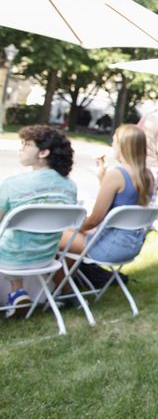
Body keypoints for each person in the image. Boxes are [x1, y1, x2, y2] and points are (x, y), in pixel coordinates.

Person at [0, 126, 77, 316]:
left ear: (43, 152)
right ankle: (17, 292)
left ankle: (16, 291)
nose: (21, 149)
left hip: (10, 259)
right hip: (46, 257)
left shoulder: (13, 185)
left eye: (26, 145)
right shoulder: (70, 187)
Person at [60, 124, 153, 263]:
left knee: (54, 236)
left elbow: (95, 219)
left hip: (109, 247)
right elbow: (125, 199)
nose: (112, 145)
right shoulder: (148, 175)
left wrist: (76, 228)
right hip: (132, 246)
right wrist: (102, 177)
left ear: (123, 146)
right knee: (71, 239)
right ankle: (73, 283)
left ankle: (61, 285)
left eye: (114, 142)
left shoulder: (116, 175)